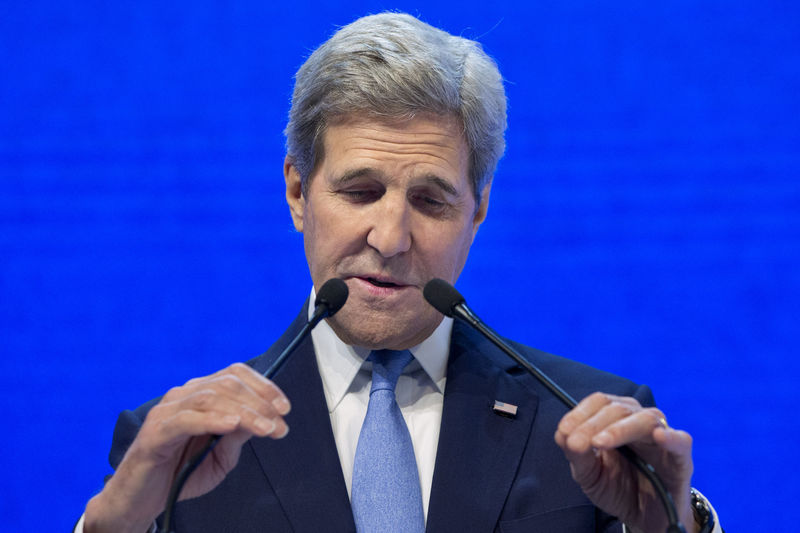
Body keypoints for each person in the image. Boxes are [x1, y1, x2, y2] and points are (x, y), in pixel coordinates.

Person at [78, 12, 720, 533]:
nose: (390, 239)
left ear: (479, 210)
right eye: (360, 192)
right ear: (298, 192)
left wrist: (671, 527)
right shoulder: (177, 455)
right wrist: (114, 526)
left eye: (431, 201)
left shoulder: (592, 429)